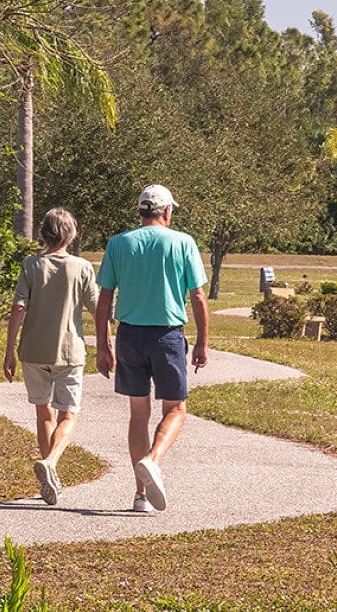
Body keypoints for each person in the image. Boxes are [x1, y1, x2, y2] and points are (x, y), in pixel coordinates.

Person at [95, 184, 208, 513]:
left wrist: (103, 345)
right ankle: (153, 460)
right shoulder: (183, 242)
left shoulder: (119, 244)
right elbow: (198, 297)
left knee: (138, 415)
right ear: (167, 212)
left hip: (129, 335)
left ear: (141, 212)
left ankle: (140, 495)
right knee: (175, 409)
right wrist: (202, 341)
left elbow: (105, 299)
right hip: (167, 336)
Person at [4, 208, 98, 506]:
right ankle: (52, 463)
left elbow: (19, 307)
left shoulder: (30, 265)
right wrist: (110, 340)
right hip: (69, 352)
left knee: (43, 413)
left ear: (43, 234)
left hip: (33, 351)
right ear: (71, 235)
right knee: (68, 414)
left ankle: (49, 478)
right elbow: (98, 308)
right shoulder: (82, 267)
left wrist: (9, 350)